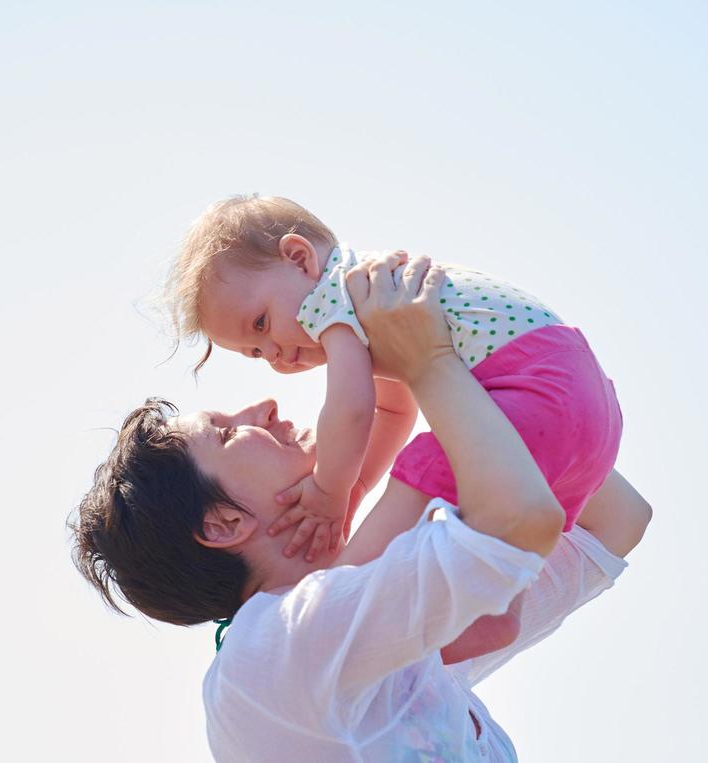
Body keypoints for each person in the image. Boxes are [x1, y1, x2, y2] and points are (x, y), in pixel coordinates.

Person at [72, 252, 651, 763]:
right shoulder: (278, 651)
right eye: (225, 432)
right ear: (221, 524)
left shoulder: (367, 645)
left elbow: (614, 520)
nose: (266, 407)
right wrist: (429, 362)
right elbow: (525, 519)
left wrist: (487, 373)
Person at [161, 194, 624, 662]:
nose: (274, 354)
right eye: (257, 353)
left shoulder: (336, 298)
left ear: (299, 259)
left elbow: (353, 410)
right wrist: (356, 484)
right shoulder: (373, 295)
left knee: (425, 465)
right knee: (494, 525)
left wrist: (329, 490)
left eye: (261, 324)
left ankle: (337, 595)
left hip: (536, 390)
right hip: (587, 406)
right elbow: (394, 409)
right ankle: (497, 610)